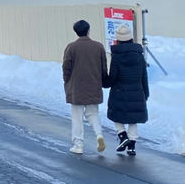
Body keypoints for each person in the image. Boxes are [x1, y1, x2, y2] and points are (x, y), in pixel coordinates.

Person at [62, 19, 108, 155]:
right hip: (94, 85)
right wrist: (103, 81)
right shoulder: (98, 47)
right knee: (93, 113)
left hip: (76, 87)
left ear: (76, 32)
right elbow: (103, 67)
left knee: (77, 117)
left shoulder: (71, 47)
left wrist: (67, 81)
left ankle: (78, 144)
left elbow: (66, 67)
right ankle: (99, 135)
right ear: (88, 31)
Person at [107, 23, 149, 157]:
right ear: (131, 39)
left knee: (116, 114)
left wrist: (105, 82)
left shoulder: (116, 56)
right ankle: (131, 147)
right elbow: (144, 76)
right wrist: (145, 93)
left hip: (119, 92)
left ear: (118, 39)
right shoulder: (139, 55)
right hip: (137, 91)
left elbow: (112, 77)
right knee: (133, 119)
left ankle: (122, 135)